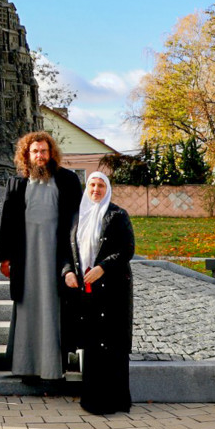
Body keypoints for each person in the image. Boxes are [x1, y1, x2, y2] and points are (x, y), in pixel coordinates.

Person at [0, 131, 83, 381]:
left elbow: (77, 220)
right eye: (35, 151)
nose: (40, 156)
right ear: (27, 154)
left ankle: (51, 366)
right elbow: (7, 222)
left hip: (56, 255)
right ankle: (25, 365)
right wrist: (6, 257)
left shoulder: (67, 180)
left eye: (44, 151)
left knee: (54, 306)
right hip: (26, 257)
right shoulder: (17, 182)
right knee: (27, 306)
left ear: (51, 153)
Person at [63, 171, 135, 414]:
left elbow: (127, 249)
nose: (96, 190)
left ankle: (115, 400)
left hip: (112, 288)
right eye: (92, 185)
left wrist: (103, 268)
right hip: (85, 289)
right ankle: (92, 400)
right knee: (93, 342)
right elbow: (65, 251)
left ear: (108, 189)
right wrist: (67, 272)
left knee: (112, 342)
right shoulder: (77, 216)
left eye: (101, 186)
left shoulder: (118, 215)